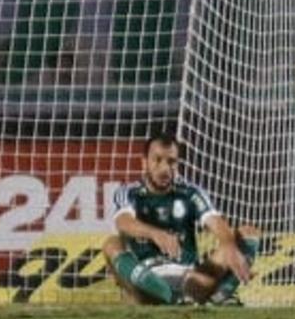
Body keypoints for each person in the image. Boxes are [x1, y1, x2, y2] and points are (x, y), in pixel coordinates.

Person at [101, 130, 256, 307]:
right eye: (157, 160)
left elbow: (215, 221)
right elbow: (123, 222)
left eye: (171, 162)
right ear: (144, 162)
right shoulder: (129, 192)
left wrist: (229, 245)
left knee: (248, 234)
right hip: (147, 281)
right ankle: (174, 299)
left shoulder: (190, 192)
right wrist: (156, 234)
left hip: (190, 280)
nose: (164, 168)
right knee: (111, 244)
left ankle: (218, 296)